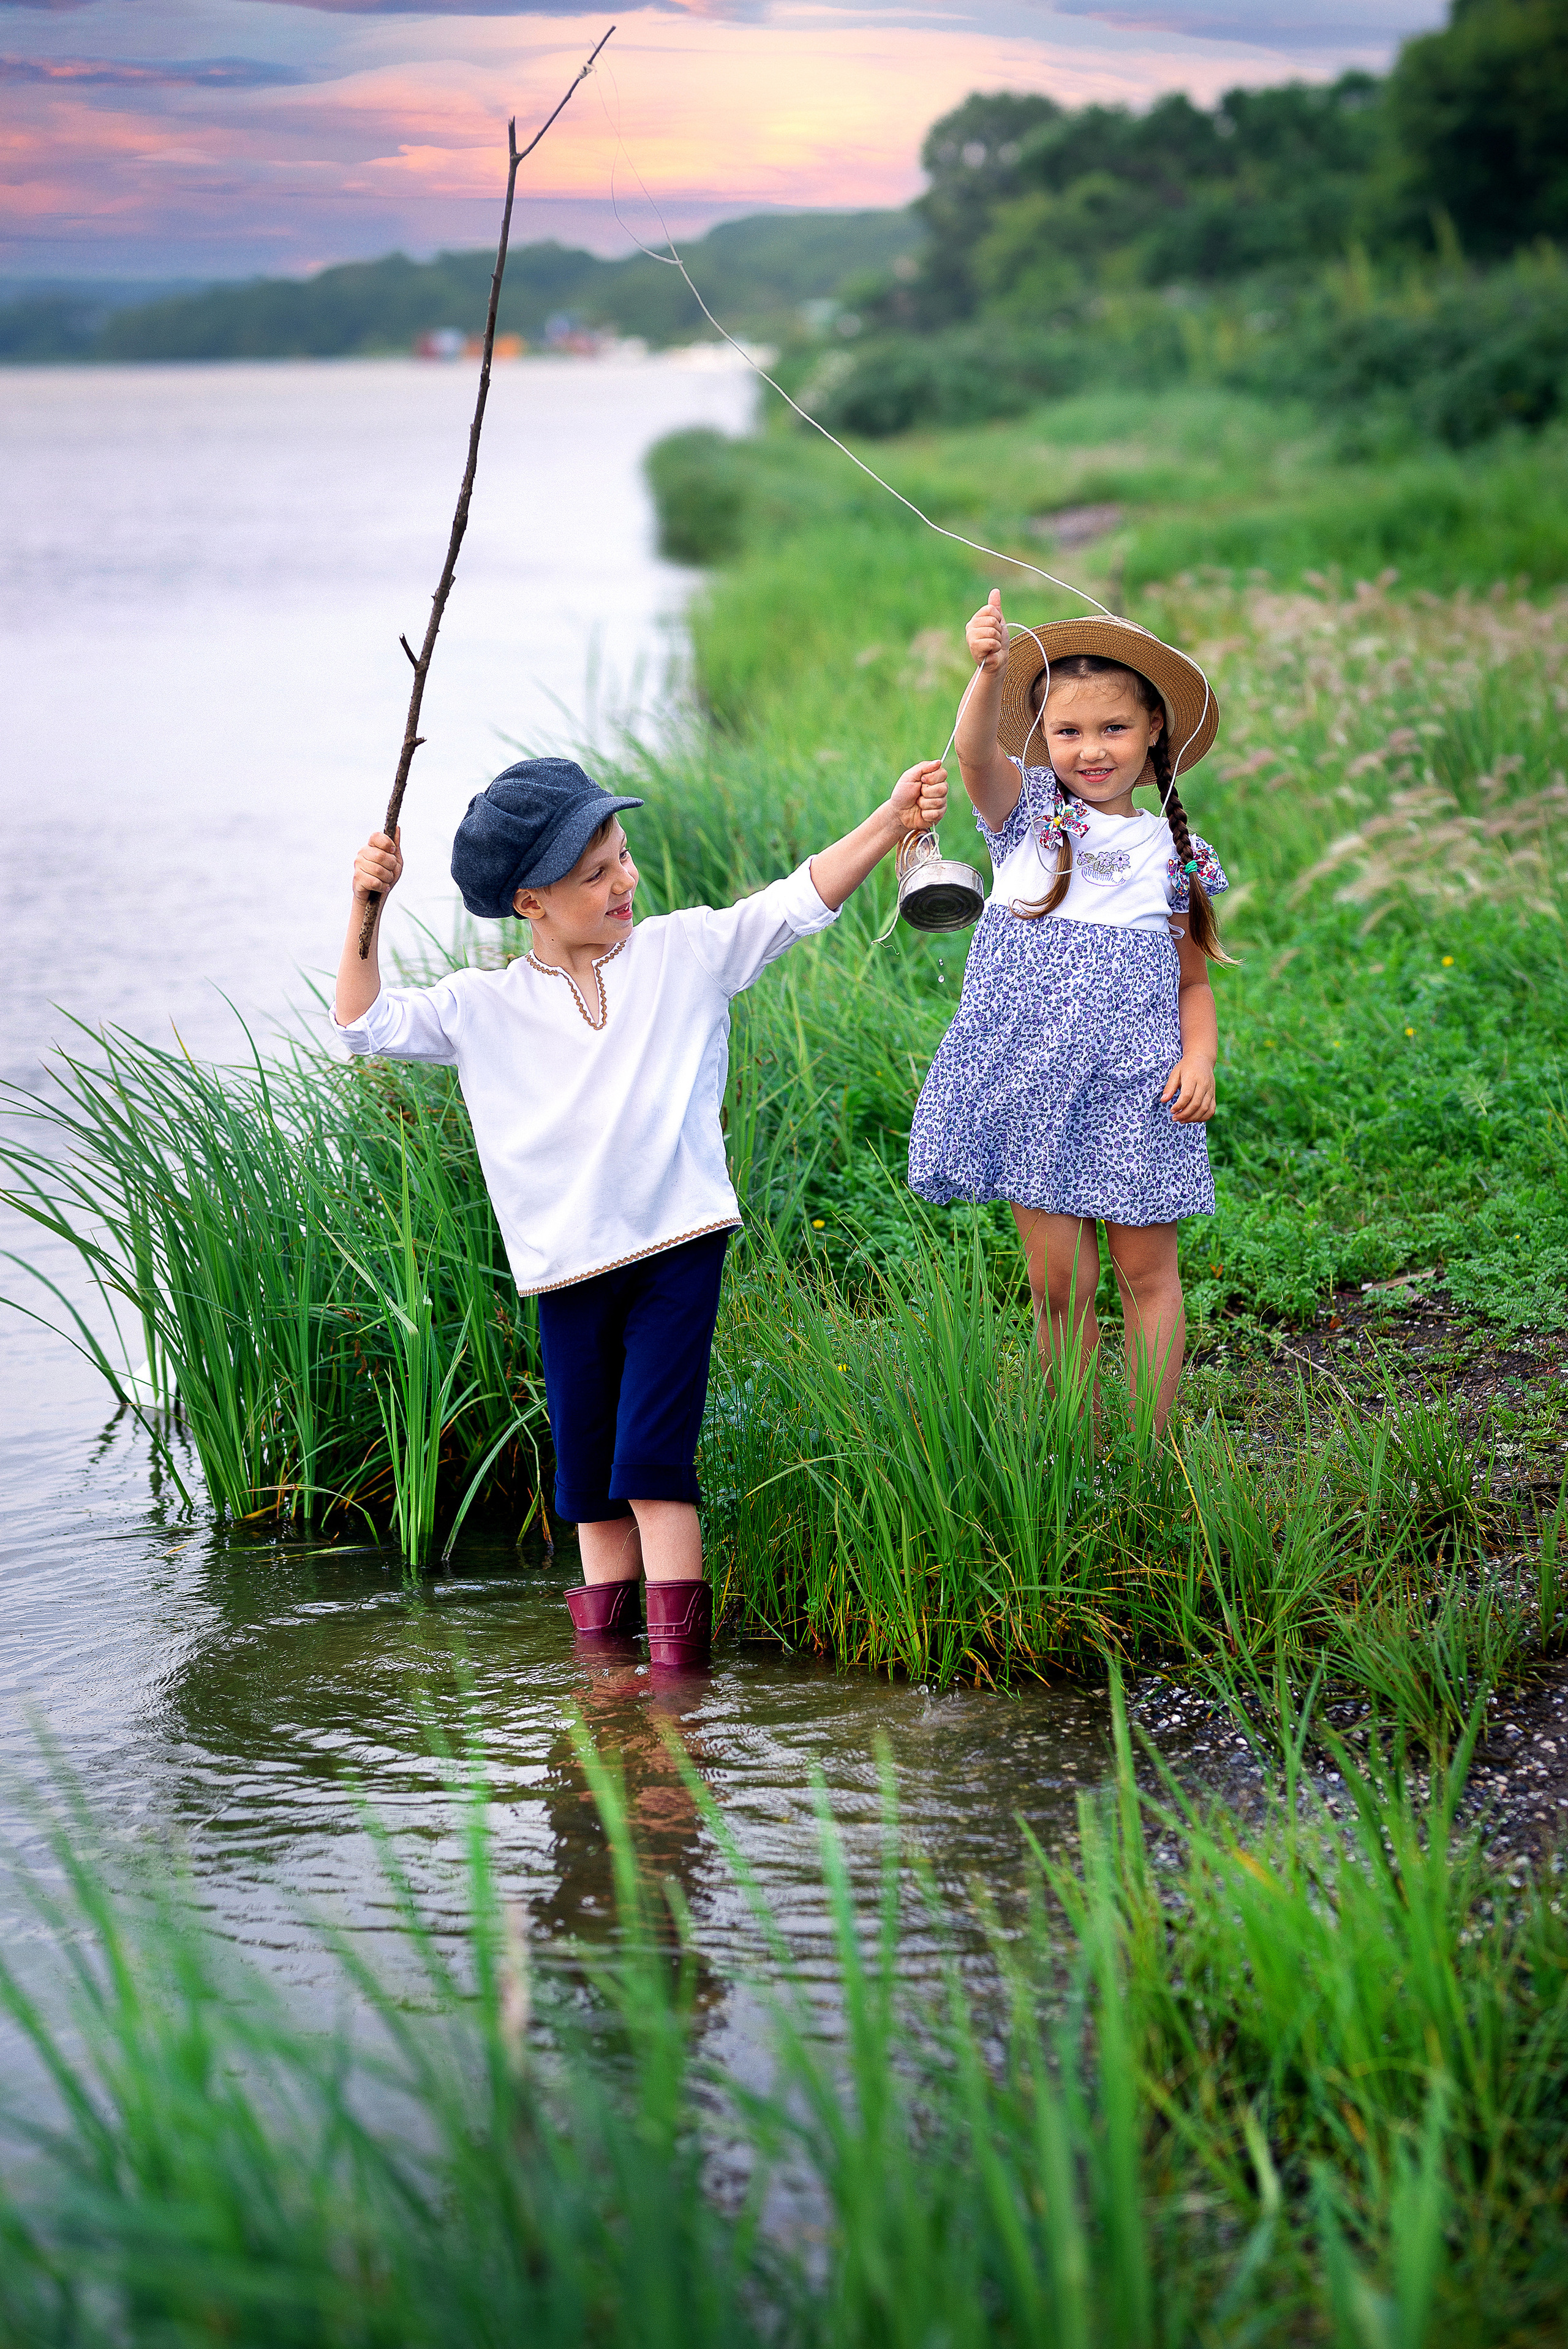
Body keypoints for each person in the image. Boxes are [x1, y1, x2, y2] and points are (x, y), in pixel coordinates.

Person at [333, 753, 948, 1668]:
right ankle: (608, 1684)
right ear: (530, 902)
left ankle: (676, 1690)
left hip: (677, 1247)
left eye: (622, 855)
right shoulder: (480, 1006)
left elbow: (794, 900)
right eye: (596, 873)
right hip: (566, 1271)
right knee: (589, 1488)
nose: (625, 879)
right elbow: (361, 1024)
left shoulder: (683, 952)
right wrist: (366, 907)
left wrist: (891, 818)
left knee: (654, 1469)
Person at [908, 592, 1230, 1433]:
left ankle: (1153, 1455)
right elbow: (975, 754)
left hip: (1138, 1089)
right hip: (1032, 1084)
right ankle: (1073, 1455)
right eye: (1069, 732)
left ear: (1155, 728)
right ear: (1044, 739)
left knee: (1146, 1276)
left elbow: (1194, 983)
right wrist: (987, 672)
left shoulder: (1175, 853)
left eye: (1114, 729)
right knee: (1059, 1288)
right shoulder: (1027, 823)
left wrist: (1200, 1059)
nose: (1092, 750)